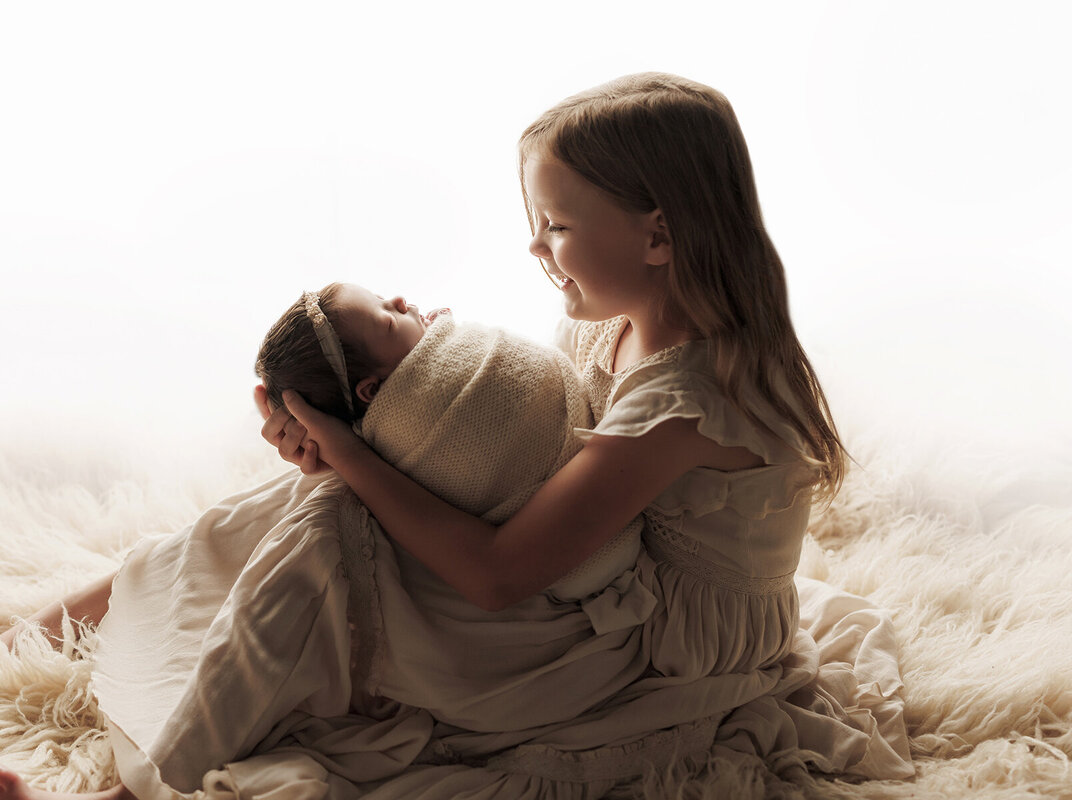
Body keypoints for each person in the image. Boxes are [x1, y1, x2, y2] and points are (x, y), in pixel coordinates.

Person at [258, 71, 914, 794]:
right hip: (600, 570)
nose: (536, 248)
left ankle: (189, 679)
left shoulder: (685, 400)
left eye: (558, 227)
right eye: (537, 224)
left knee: (341, 526)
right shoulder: (614, 325)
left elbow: (498, 576)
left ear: (658, 236)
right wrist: (345, 450)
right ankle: (134, 592)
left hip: (655, 638)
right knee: (336, 508)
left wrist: (351, 455)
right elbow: (529, 460)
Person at [0, 280, 649, 800]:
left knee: (317, 521)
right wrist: (335, 447)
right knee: (283, 504)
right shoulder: (438, 389)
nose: (410, 300)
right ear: (374, 388)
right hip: (475, 556)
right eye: (391, 314)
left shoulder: (467, 383)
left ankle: (124, 795)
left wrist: (345, 449)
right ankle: (59, 621)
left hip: (539, 626)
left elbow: (479, 440)